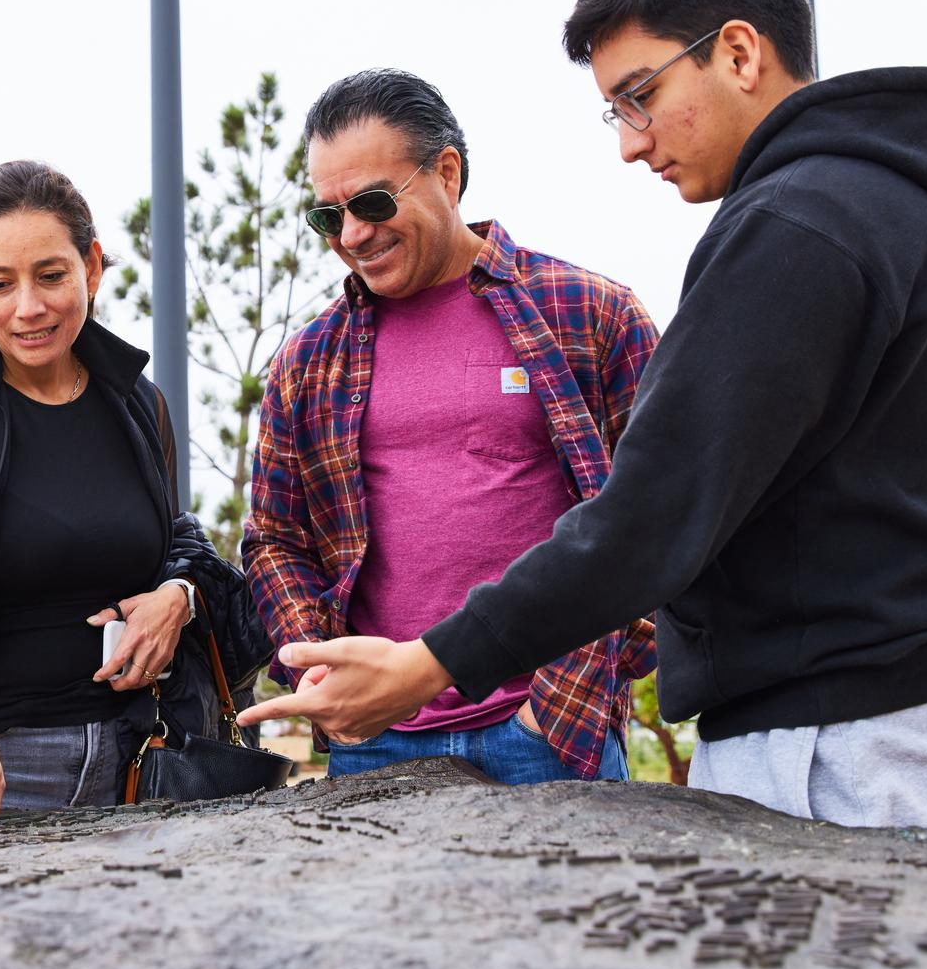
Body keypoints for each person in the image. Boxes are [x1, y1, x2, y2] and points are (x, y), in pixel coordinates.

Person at [239, 0, 927, 844]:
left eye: (641, 93)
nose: (629, 138)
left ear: (738, 52)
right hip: (892, 718)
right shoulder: (896, 207)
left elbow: (649, 516)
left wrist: (440, 666)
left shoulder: (797, 228)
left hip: (851, 741)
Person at [241, 69, 657, 785]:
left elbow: (657, 516)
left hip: (549, 733)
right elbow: (275, 538)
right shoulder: (305, 363)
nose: (353, 234)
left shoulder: (591, 315)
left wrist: (564, 694)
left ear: (448, 172)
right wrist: (316, 668)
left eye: (372, 202)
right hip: (373, 745)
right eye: (327, 216)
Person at [0, 160, 236, 834]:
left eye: (51, 276)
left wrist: (178, 598)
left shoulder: (141, 403)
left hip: (139, 752)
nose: (28, 307)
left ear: (91, 266)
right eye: (0, 283)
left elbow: (173, 541)